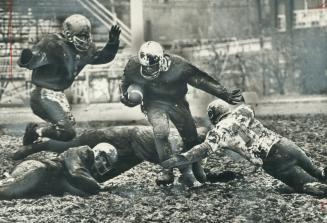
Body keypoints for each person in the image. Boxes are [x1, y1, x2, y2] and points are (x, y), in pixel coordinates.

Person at [120, 41, 243, 186]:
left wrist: (225, 94)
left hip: (176, 101)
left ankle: (198, 170)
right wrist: (127, 98)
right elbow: (126, 84)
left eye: (152, 67)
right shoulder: (133, 65)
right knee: (161, 131)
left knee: (191, 136)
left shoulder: (178, 66)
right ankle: (167, 169)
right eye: (145, 68)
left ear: (161, 60)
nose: (148, 71)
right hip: (153, 102)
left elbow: (201, 80)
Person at [162, 99, 327, 196]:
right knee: (318, 171)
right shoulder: (243, 111)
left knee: (304, 185)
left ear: (213, 117)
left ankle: (313, 186)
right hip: (285, 144)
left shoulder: (218, 132)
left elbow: (202, 149)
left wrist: (181, 158)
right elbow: (249, 107)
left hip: (272, 161)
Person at [4, 126, 208, 199]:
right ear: (97, 153)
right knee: (10, 190)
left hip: (46, 179)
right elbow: (76, 173)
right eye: (102, 159)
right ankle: (35, 143)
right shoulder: (82, 153)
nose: (102, 164)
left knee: (18, 192)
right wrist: (99, 189)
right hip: (39, 168)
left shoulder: (86, 167)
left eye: (105, 162)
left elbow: (74, 185)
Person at [17, 14, 121, 146]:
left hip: (59, 95)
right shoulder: (53, 44)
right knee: (67, 132)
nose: (84, 40)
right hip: (42, 94)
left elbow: (102, 58)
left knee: (66, 130)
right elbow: (32, 61)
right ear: (67, 34)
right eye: (80, 36)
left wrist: (112, 43)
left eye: (85, 36)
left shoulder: (86, 50)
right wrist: (27, 59)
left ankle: (33, 134)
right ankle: (36, 131)